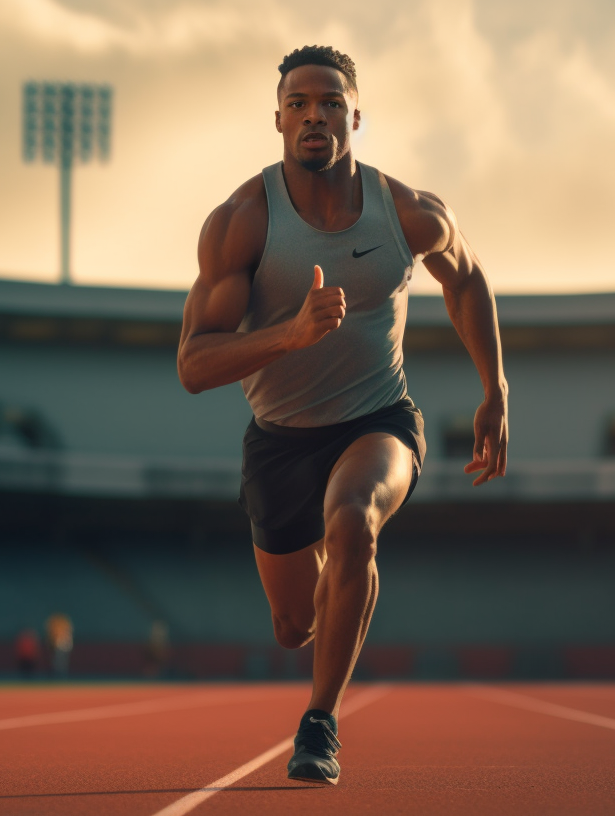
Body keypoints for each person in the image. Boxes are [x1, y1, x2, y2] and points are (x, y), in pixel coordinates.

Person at [177, 45, 508, 785]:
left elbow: (468, 279)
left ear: (355, 116)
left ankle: (320, 722)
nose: (314, 115)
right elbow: (194, 366)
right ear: (278, 121)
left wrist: (496, 391)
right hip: (279, 444)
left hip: (377, 419)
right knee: (294, 627)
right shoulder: (241, 222)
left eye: (330, 102)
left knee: (353, 518)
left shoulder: (410, 212)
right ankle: (336, 594)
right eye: (298, 104)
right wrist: (289, 335)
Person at [45, 612, 73, 678]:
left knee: (61, 662)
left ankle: (61, 674)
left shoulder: (65, 627)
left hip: (63, 646)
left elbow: (68, 637)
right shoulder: (54, 627)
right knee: (57, 662)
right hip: (57, 646)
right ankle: (58, 674)